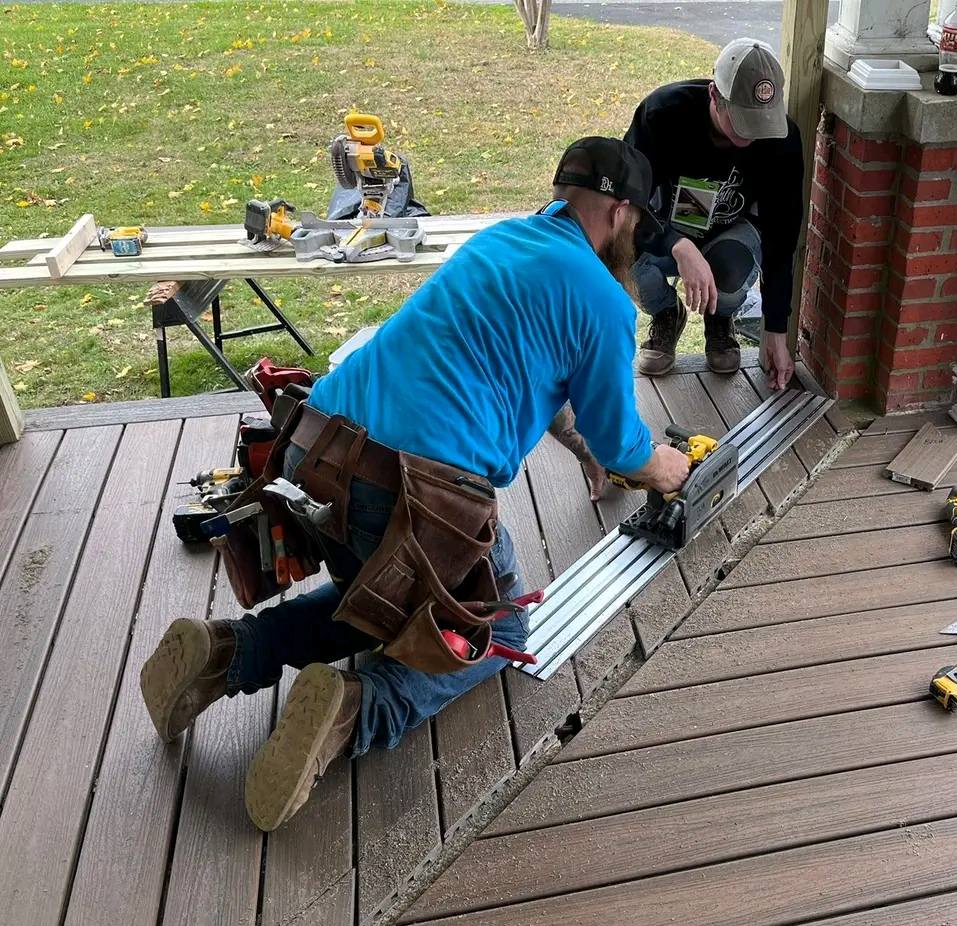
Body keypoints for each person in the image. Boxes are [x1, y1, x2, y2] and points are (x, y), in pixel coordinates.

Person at [139, 137, 692, 832]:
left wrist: (579, 451)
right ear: (619, 213)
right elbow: (625, 445)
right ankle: (354, 707)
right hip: (412, 487)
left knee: (381, 592)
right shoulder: (604, 304)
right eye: (638, 228)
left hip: (315, 448)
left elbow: (541, 380)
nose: (635, 244)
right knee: (498, 627)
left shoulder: (504, 244)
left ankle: (227, 651)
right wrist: (664, 468)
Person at [625, 37, 803, 389]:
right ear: (714, 95)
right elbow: (626, 205)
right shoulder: (662, 114)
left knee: (733, 268)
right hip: (665, 225)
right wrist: (676, 244)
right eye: (741, 121)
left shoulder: (782, 138)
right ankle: (665, 311)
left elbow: (782, 238)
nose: (752, 135)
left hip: (731, 232)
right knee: (622, 255)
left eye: (761, 122)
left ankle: (719, 318)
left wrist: (776, 329)